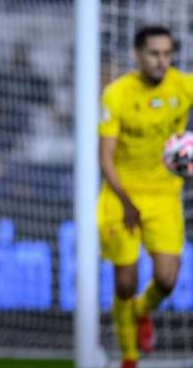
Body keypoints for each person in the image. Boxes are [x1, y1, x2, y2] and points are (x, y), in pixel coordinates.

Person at [99, 25, 191, 368]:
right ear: (138, 55)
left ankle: (141, 311)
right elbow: (105, 156)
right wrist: (126, 201)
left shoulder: (183, 86)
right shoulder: (117, 95)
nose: (162, 61)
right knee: (126, 280)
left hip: (164, 195)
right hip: (121, 195)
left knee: (166, 279)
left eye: (167, 54)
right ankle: (129, 357)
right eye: (154, 54)